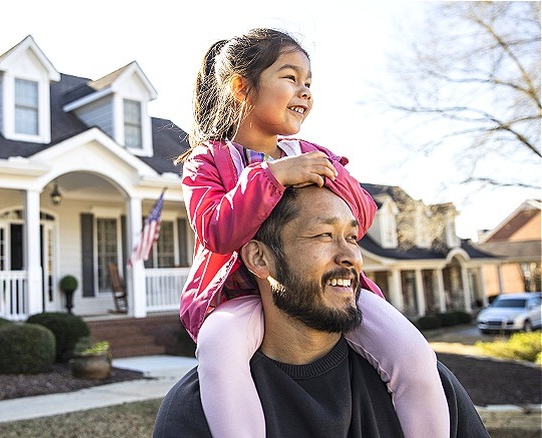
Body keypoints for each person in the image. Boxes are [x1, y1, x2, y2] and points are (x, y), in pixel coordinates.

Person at [175, 28, 449, 437]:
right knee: (219, 348)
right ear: (241, 86)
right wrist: (271, 178)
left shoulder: (313, 154)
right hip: (243, 296)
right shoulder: (207, 162)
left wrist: (329, 177)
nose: (304, 91)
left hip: (326, 289)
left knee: (411, 351)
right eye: (290, 77)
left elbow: (362, 214)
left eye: (309, 82)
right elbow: (216, 231)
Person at [155, 186, 490, 437]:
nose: (351, 256)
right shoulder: (194, 411)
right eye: (324, 235)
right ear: (259, 258)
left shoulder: (427, 385)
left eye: (353, 237)